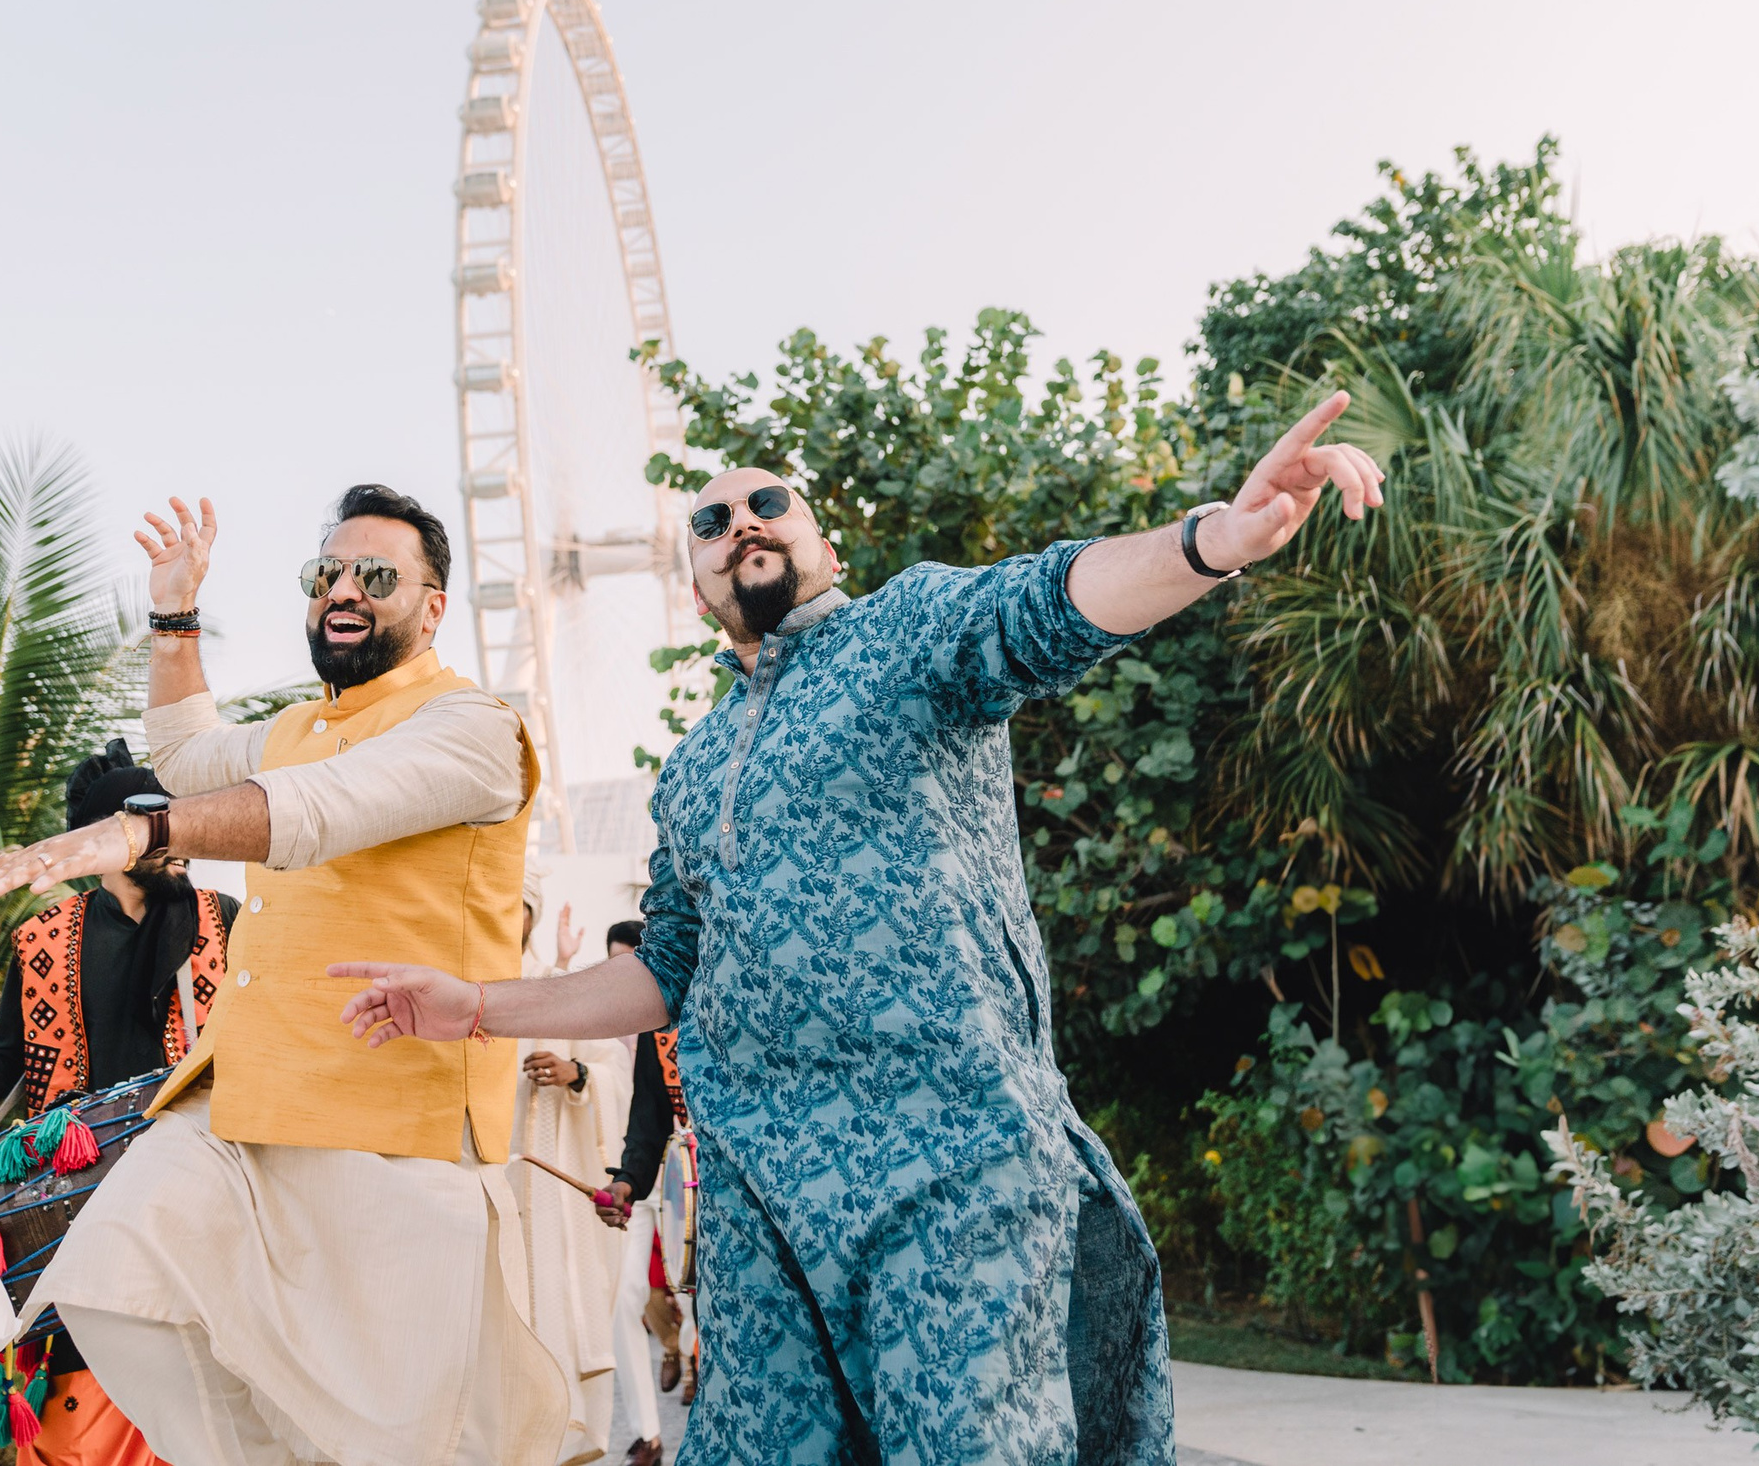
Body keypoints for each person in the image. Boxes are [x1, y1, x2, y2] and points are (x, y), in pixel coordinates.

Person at [328, 399, 1387, 1465]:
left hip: (952, 1164)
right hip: (761, 1204)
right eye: (709, 523)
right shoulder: (691, 772)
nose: (741, 522)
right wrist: (479, 1007)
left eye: (767, 502)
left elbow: (1055, 599)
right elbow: (666, 969)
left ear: (825, 549)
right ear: (697, 592)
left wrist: (1214, 539)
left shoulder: (910, 632)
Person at [0, 483, 565, 1466]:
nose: (343, 590)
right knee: (113, 1281)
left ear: (433, 606)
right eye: (327, 572)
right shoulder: (292, 730)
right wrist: (175, 616)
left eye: (376, 575)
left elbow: (322, 807)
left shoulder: (474, 727)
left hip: (392, 1129)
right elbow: (186, 751)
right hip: (240, 1108)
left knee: (398, 1435)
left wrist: (138, 831)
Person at [0, 741, 236, 1466]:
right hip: (76, 1205)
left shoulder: (223, 919)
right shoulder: (44, 937)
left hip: (198, 1197)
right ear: (100, 841)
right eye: (145, 821)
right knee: (81, 1404)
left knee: (201, 1392)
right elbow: (3, 1062)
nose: (168, 837)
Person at [510, 890, 630, 1465]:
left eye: (517, 904)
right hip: (475, 1185)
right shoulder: (454, 984)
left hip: (544, 1197)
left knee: (548, 1307)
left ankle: (552, 1438)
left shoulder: (554, 988)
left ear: (530, 917)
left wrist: (575, 1071)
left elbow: (615, 1067)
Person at [593, 919, 674, 1466]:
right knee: (624, 1297)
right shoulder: (654, 1020)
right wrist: (626, 1180)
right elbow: (648, 1115)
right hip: (652, 1181)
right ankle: (649, 1433)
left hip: (710, 1181)